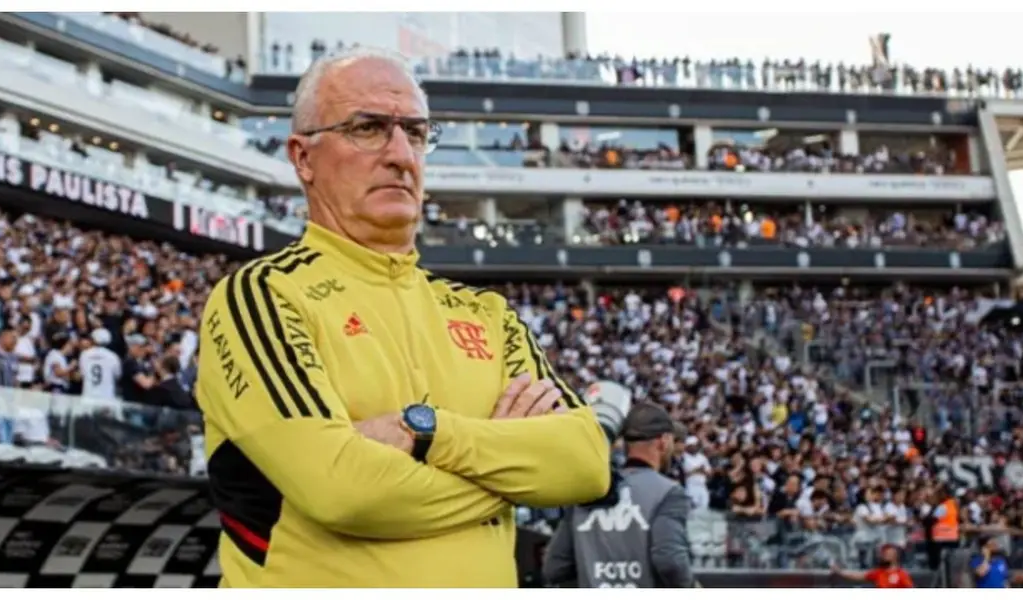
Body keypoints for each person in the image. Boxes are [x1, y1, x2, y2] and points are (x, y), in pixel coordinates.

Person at [196, 46, 611, 588]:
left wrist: (428, 433)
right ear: (302, 157)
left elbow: (585, 462)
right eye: (368, 128)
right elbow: (342, 490)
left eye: (415, 133)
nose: (400, 154)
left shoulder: (486, 314)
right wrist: (506, 476)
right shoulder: (263, 296)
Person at [540, 403, 694, 588]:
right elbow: (670, 563)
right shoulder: (668, 493)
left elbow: (555, 567)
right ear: (664, 441)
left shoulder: (590, 491)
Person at [831, 544, 914, 588]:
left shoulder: (902, 574)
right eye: (884, 553)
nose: (884, 555)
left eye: (887, 553)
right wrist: (840, 571)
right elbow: (858, 576)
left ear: (895, 556)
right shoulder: (879, 572)